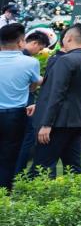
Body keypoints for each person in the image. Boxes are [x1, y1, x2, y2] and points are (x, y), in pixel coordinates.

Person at [31, 23, 81, 178]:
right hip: (78, 121)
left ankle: (43, 195)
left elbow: (56, 94)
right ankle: (75, 194)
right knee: (73, 167)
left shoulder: (65, 60)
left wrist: (47, 124)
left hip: (57, 123)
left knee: (43, 167)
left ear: (69, 38)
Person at [0, 22, 41, 190]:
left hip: (14, 114)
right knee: (9, 157)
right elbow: (33, 86)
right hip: (15, 116)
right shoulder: (30, 62)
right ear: (20, 42)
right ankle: (4, 194)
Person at [13, 30, 50, 177]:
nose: (39, 52)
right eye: (40, 48)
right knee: (27, 138)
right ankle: (18, 172)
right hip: (24, 101)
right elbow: (33, 86)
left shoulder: (10, 55)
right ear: (34, 43)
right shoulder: (30, 61)